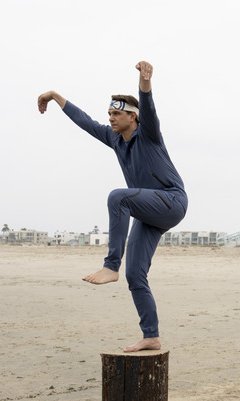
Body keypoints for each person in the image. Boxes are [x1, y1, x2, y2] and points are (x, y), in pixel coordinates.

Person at [37, 61, 187, 352]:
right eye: (109, 114)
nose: (110, 119)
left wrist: (145, 82)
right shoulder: (115, 139)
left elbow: (148, 105)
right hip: (149, 212)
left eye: (116, 114)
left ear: (132, 117)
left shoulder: (149, 134)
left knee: (118, 196)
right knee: (136, 275)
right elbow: (85, 121)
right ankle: (151, 335)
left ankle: (110, 266)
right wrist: (56, 97)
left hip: (172, 200)